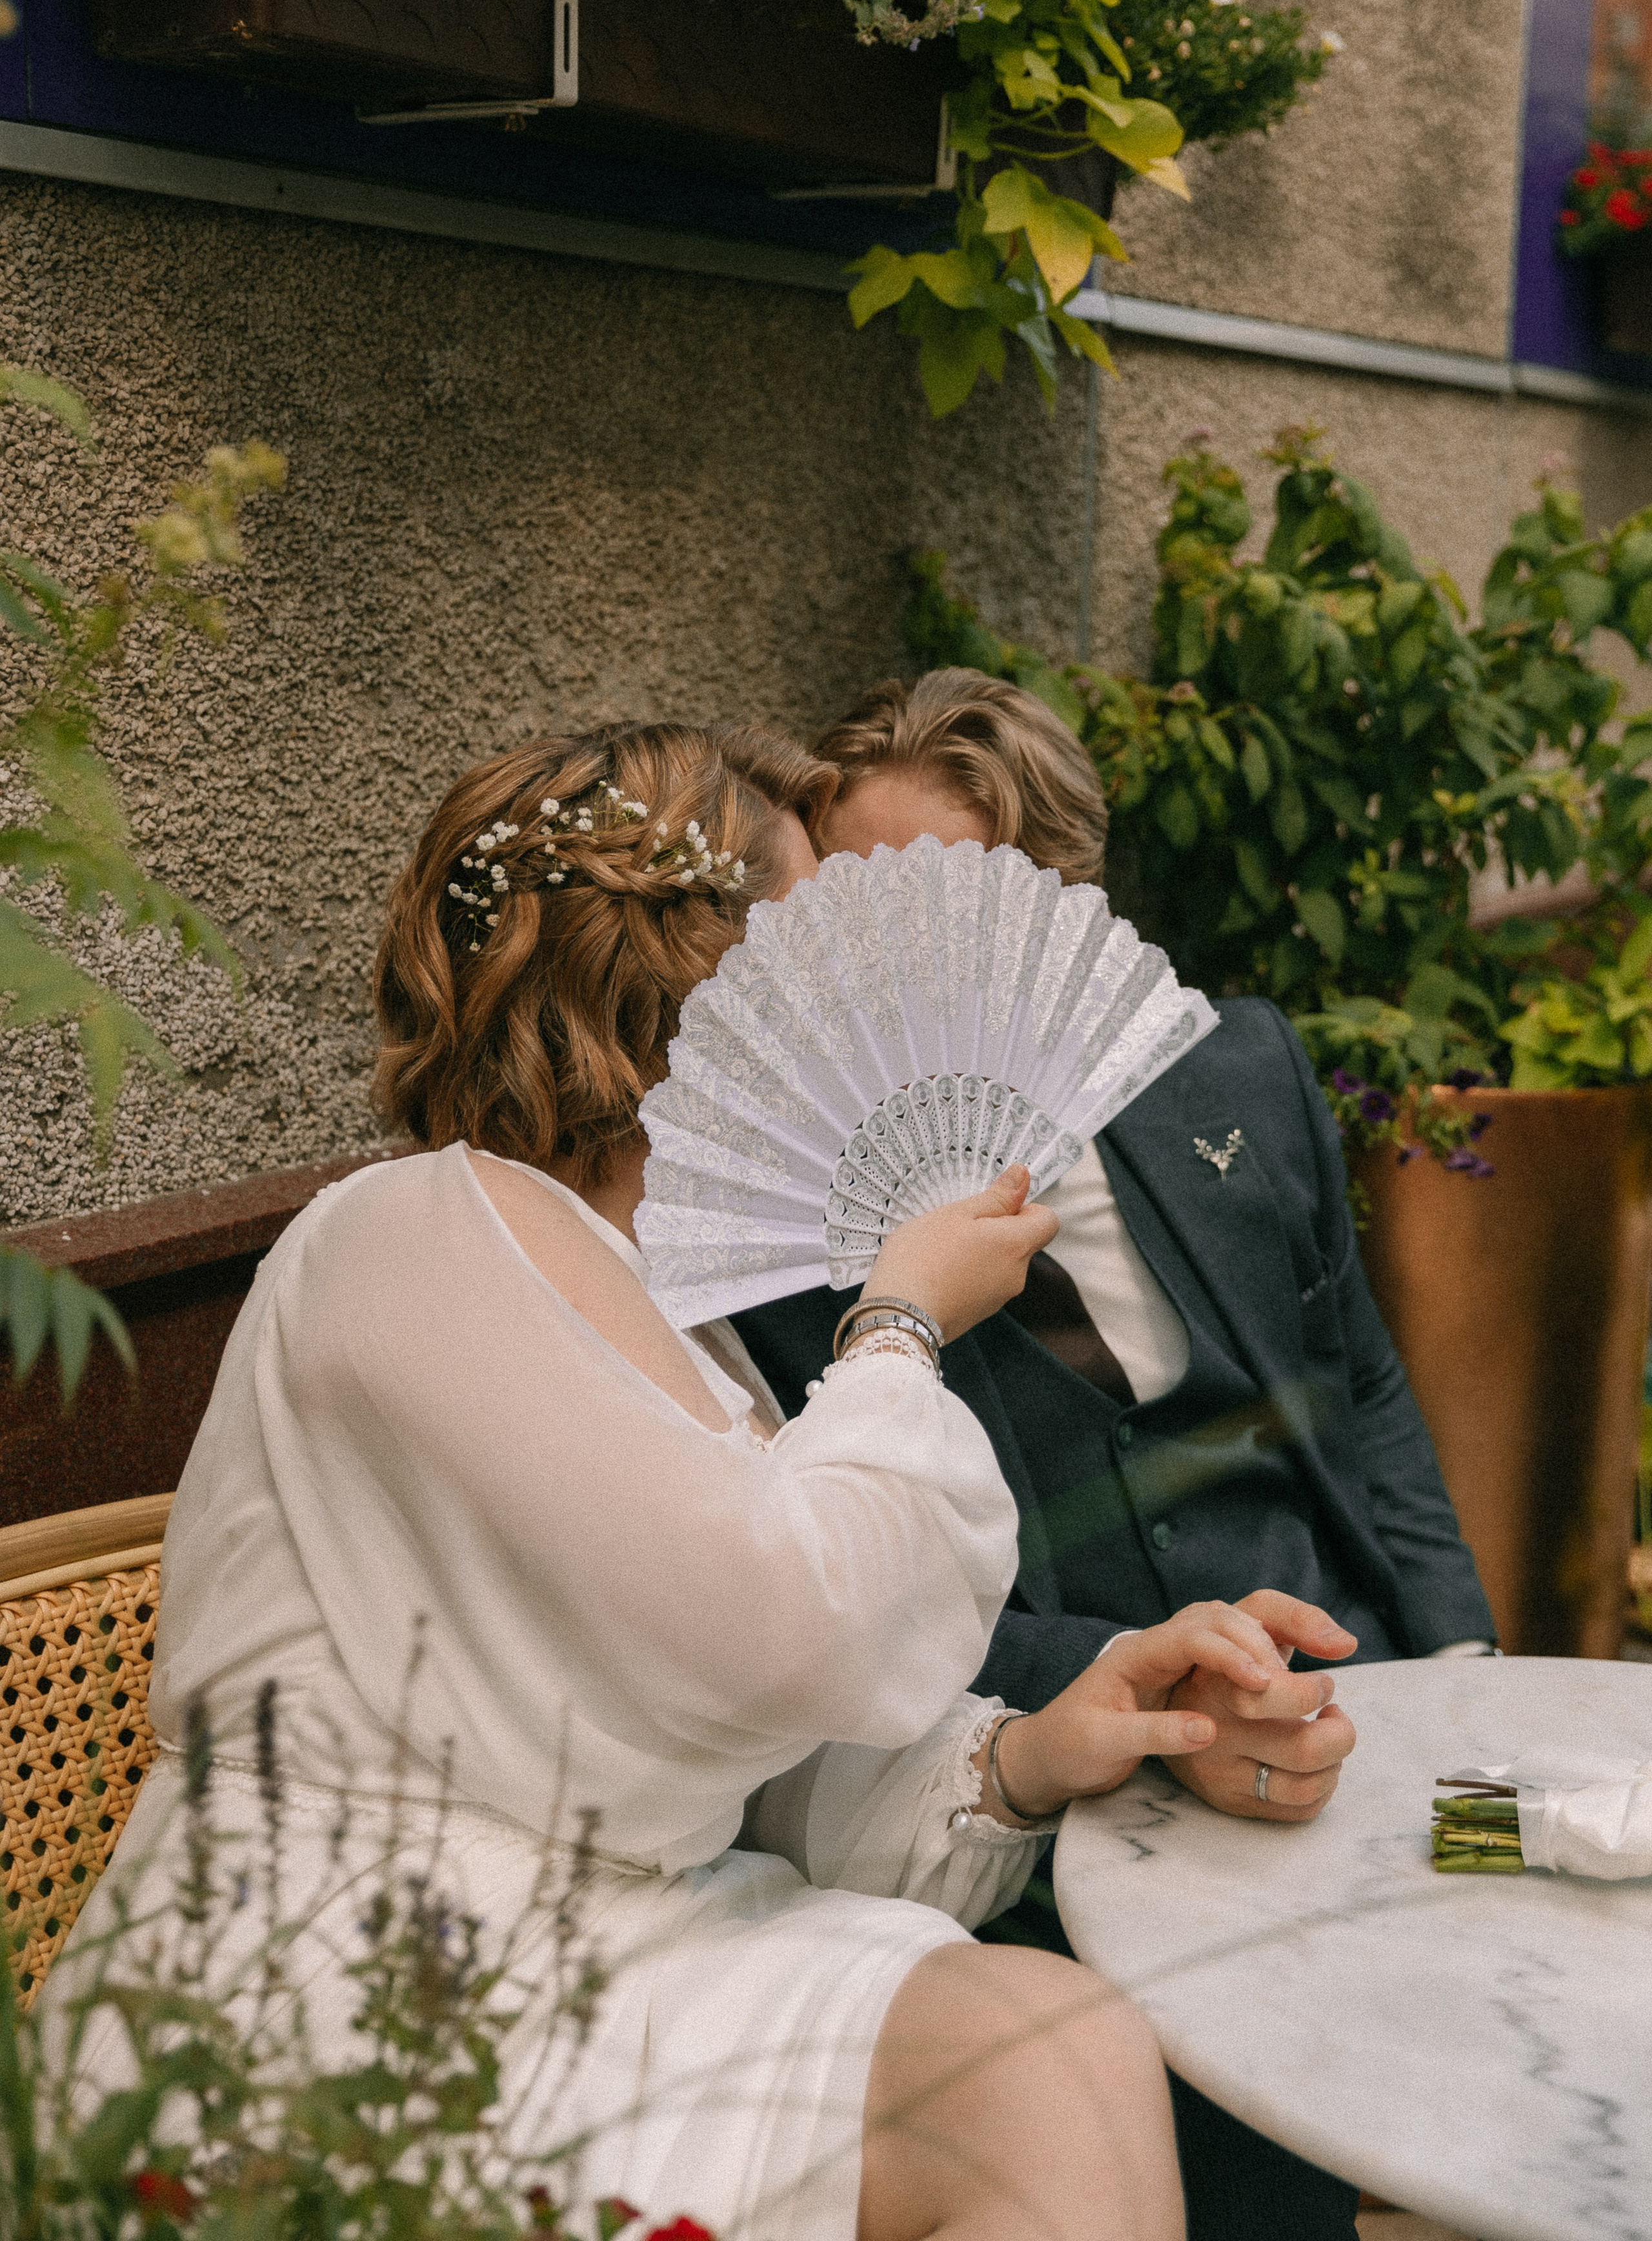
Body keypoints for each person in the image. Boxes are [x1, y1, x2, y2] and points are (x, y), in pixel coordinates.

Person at [49, 719, 1357, 2241]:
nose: (866, 973)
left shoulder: (673, 1305)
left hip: (632, 1928)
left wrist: (1042, 1750)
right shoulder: (403, 1234)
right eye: (823, 925)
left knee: (1060, 2051)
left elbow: (716, 1735)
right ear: (690, 967)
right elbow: (783, 1629)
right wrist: (900, 1319)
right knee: (1048, 2064)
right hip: (370, 1972)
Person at [731, 670, 1498, 2241]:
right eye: (854, 925)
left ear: (1059, 913)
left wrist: (1460, 1664)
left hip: (1338, 1691)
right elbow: (848, 1594)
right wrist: (1145, 1686)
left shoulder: (1236, 1072)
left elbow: (1361, 1398)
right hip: (1052, 1775)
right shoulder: (780, 1231)